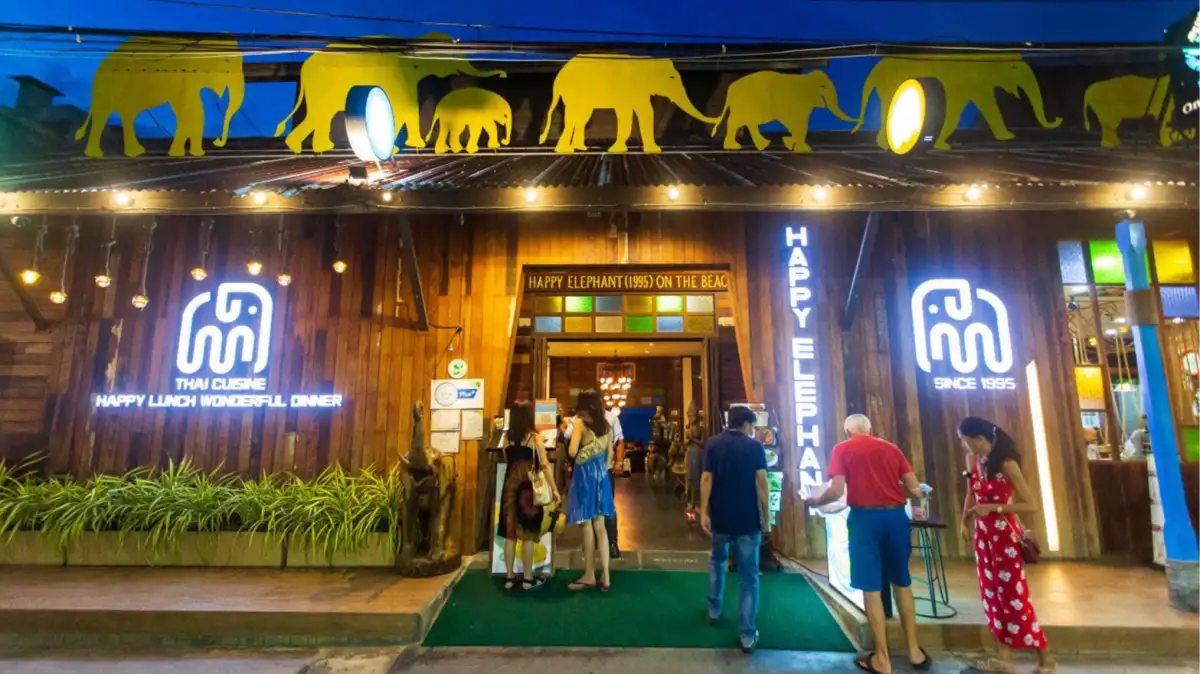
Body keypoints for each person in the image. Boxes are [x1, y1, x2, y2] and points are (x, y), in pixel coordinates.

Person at [805, 414, 929, 674]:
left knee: (871, 588)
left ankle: (882, 658)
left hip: (865, 520)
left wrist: (815, 502)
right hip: (896, 517)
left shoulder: (842, 449)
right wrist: (890, 488)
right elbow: (915, 489)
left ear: (847, 431)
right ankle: (914, 652)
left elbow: (836, 490)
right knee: (902, 582)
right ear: (869, 429)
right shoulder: (891, 449)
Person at [958, 417, 1057, 674]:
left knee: (1014, 598)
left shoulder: (1007, 464)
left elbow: (1031, 505)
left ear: (979, 439)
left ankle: (1046, 658)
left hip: (1004, 538)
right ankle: (1004, 659)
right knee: (992, 597)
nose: (964, 445)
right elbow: (971, 492)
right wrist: (964, 521)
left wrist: (994, 508)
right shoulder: (974, 460)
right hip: (984, 536)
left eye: (966, 441)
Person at [700, 405, 770, 653]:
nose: (753, 430)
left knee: (717, 561)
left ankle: (713, 609)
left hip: (720, 515)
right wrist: (766, 515)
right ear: (746, 424)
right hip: (747, 518)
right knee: (748, 577)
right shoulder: (755, 447)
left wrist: (703, 511)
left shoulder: (713, 444)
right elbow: (762, 482)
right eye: (752, 425)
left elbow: (706, 478)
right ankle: (747, 634)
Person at [498, 401, 559, 592]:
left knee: (510, 535)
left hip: (510, 488)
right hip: (528, 490)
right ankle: (527, 579)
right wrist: (554, 489)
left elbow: (507, 459)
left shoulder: (506, 438)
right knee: (527, 535)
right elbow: (544, 465)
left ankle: (509, 578)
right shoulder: (534, 438)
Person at [565, 390, 616, 591]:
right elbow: (610, 457)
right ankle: (606, 575)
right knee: (600, 525)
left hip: (585, 476)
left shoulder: (580, 424)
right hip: (601, 476)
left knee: (586, 524)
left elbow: (572, 451)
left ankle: (589, 574)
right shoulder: (606, 426)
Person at [564, 404, 624, 559]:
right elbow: (617, 442)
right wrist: (613, 463)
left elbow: (569, 442)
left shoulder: (579, 420)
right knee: (605, 508)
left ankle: (594, 550)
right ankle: (610, 546)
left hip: (585, 471)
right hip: (603, 469)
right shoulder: (608, 420)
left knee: (588, 513)